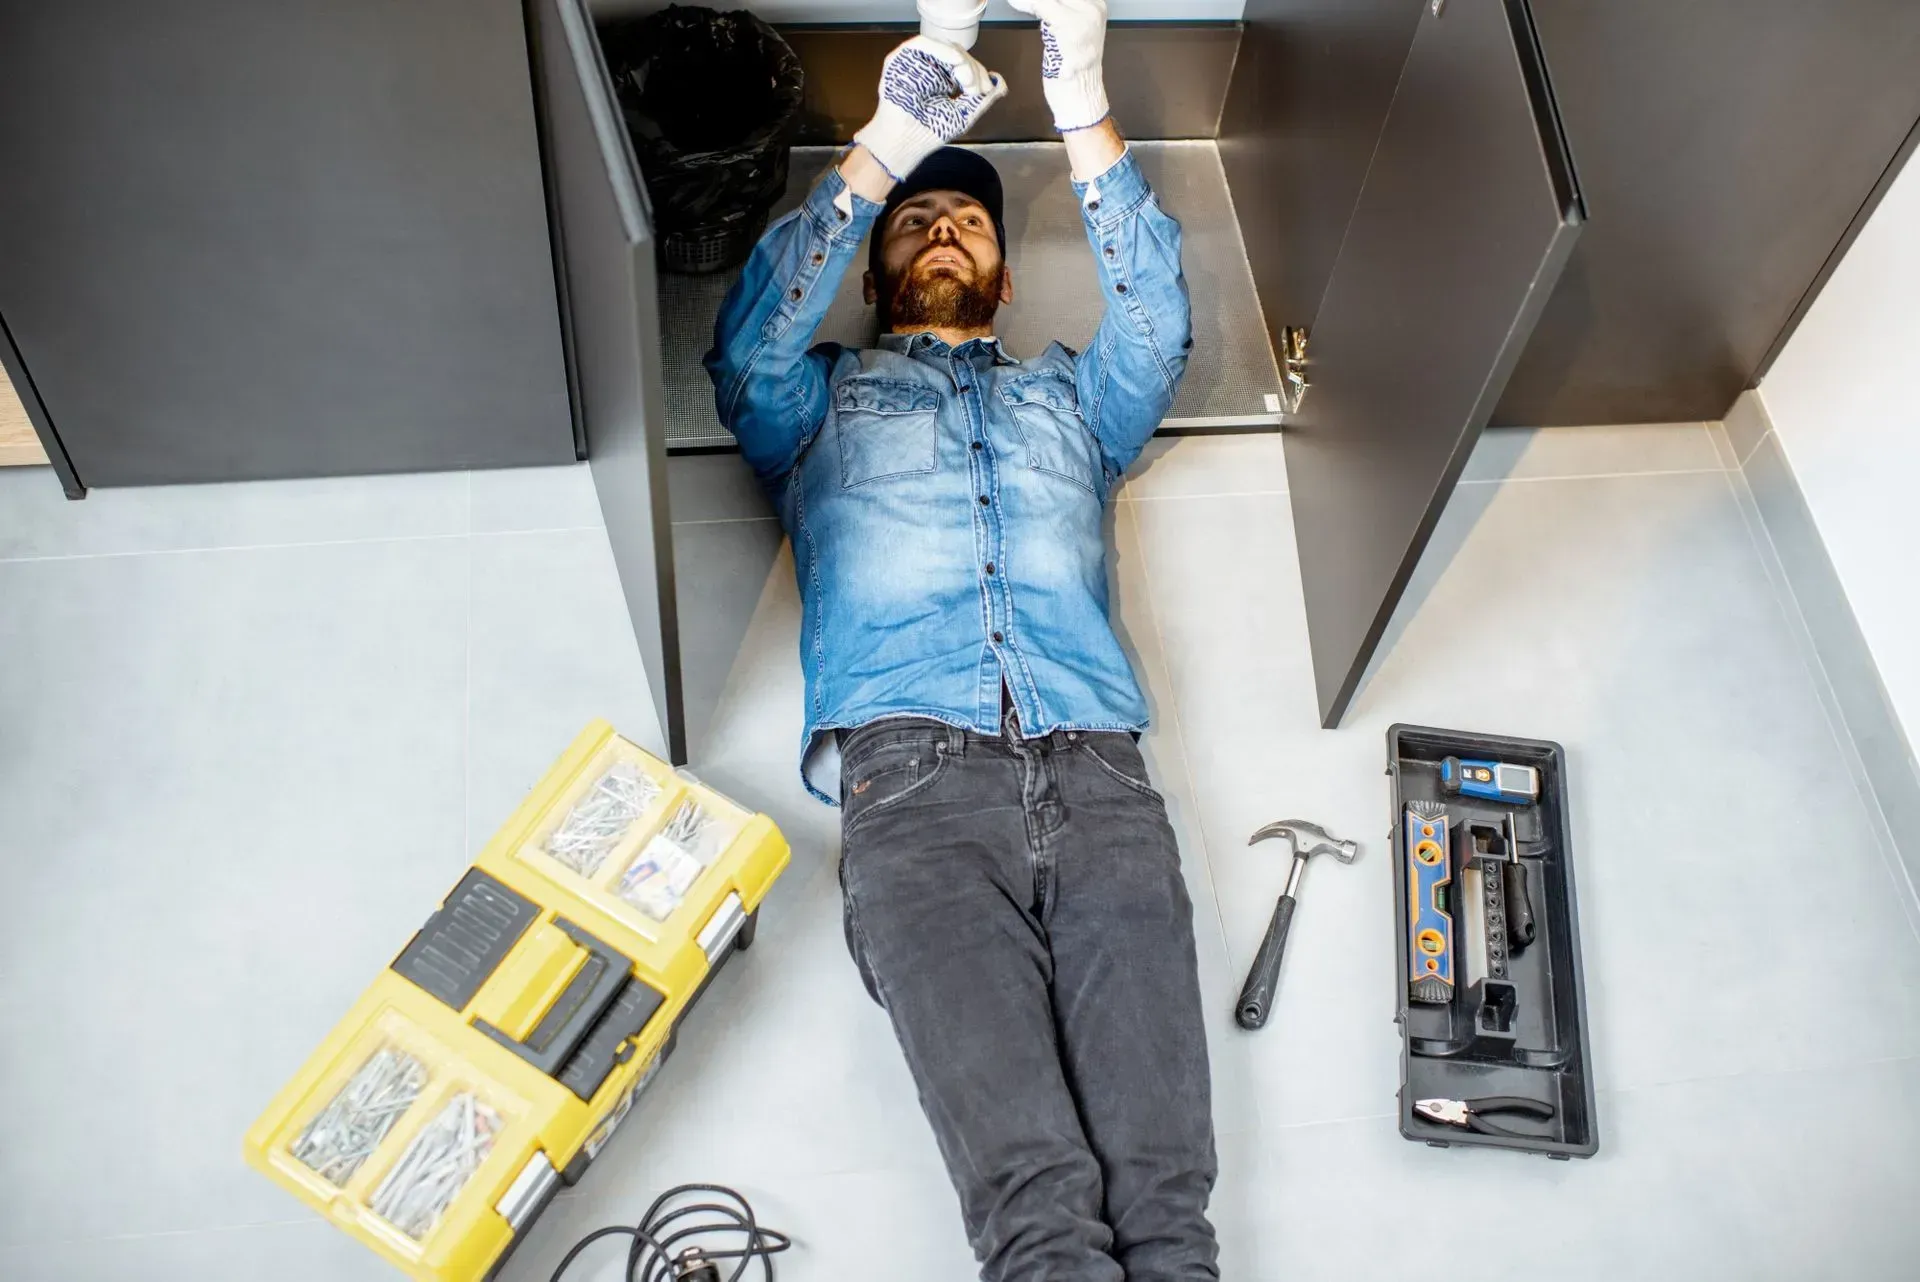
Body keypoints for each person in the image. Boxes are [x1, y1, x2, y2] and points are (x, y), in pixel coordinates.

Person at [706, 2, 1213, 1277]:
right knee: (1039, 1206)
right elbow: (745, 346)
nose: (943, 228)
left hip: (1103, 780)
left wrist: (1081, 103)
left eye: (968, 219)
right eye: (916, 225)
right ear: (875, 278)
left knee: (1165, 1205)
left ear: (998, 271)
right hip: (916, 796)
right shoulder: (816, 403)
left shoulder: (1072, 401)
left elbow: (1156, 325)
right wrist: (885, 140)